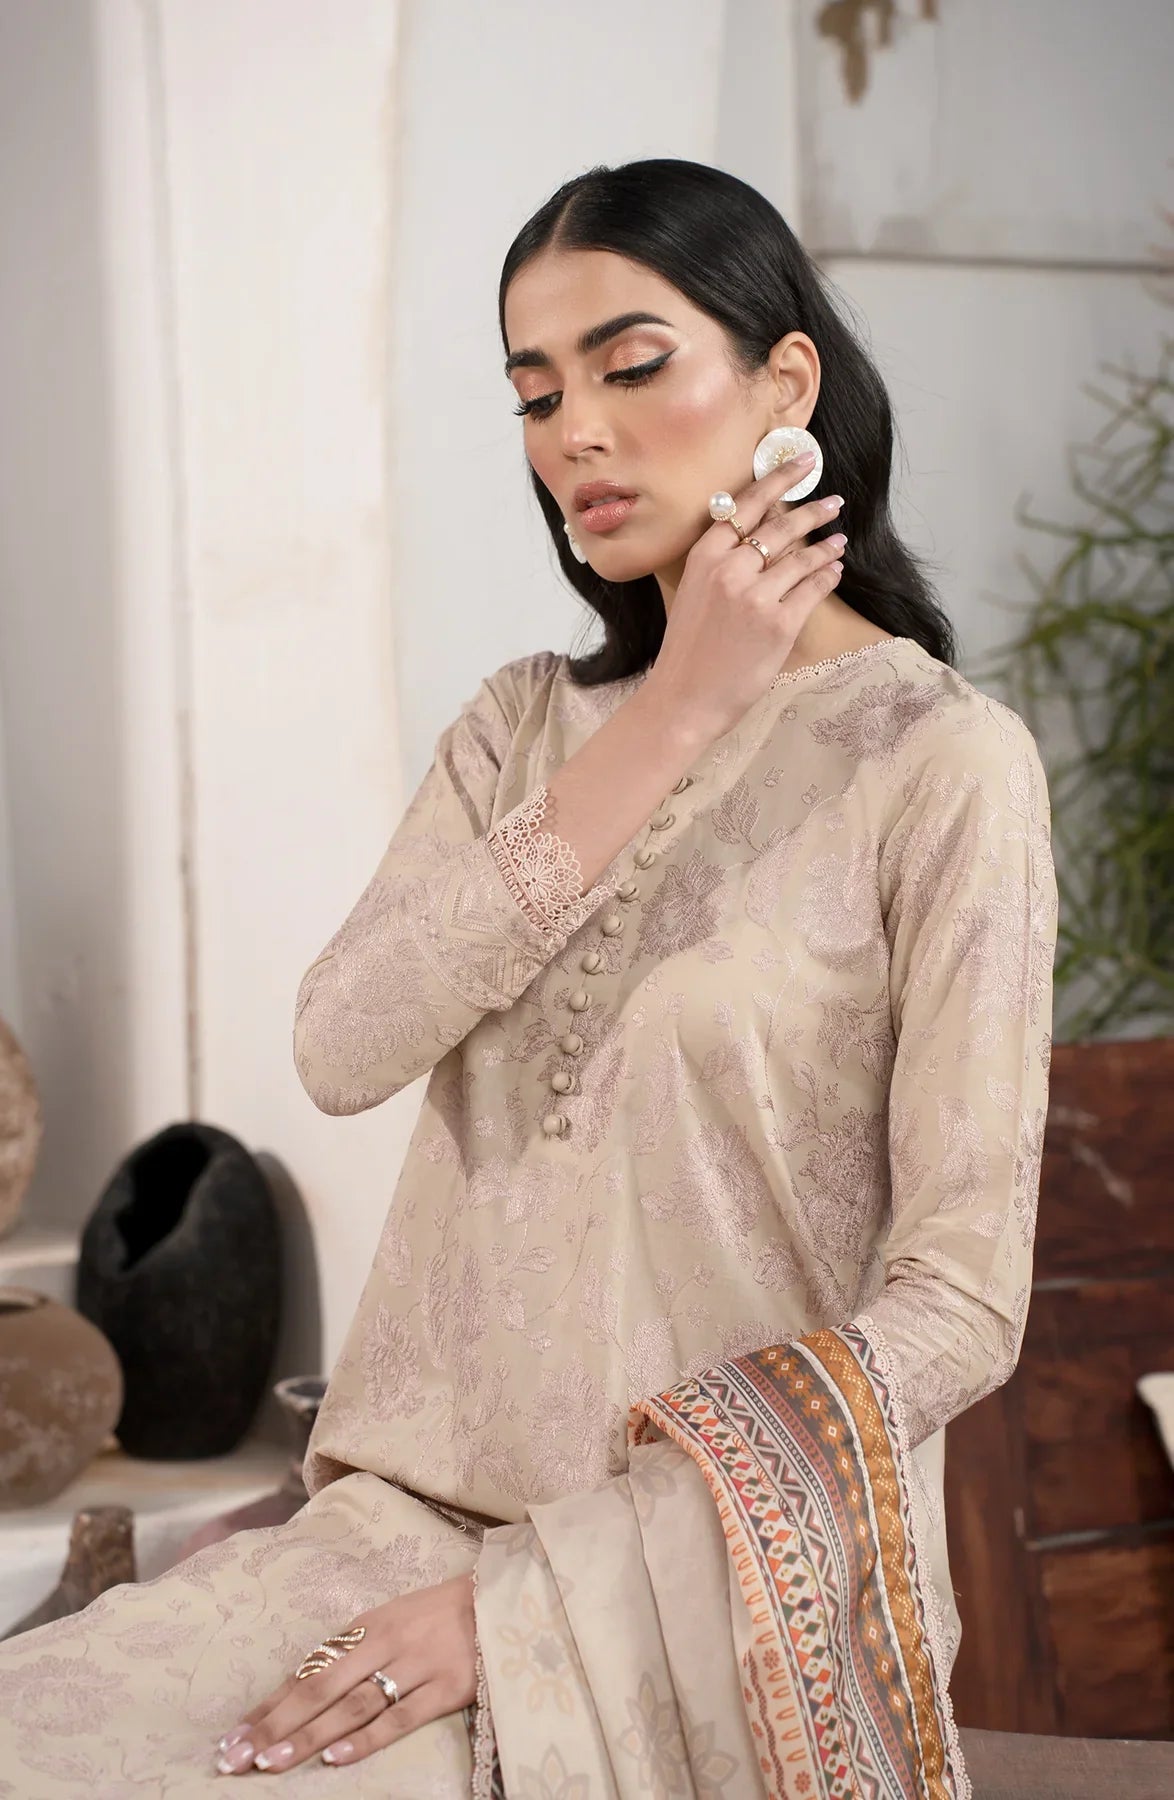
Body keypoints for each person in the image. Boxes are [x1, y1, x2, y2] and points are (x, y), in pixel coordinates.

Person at [0, 158, 1056, 1798]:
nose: (576, 432)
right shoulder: (518, 730)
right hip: (391, 1528)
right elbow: (343, 1043)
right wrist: (676, 708)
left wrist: (531, 1604)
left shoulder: (939, 764)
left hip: (707, 1589)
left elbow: (960, 1302)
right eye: (537, 392)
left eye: (630, 367)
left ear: (785, 385)